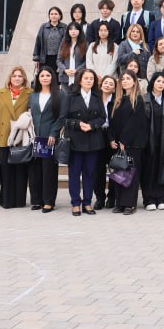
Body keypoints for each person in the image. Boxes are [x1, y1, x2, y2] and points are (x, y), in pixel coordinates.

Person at [61, 69, 105, 216]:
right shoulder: (71, 96)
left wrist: (91, 125)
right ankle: (75, 203)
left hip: (93, 140)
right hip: (75, 140)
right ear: (80, 80)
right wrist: (78, 124)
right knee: (74, 173)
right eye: (86, 78)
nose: (89, 81)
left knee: (90, 173)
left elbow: (102, 117)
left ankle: (87, 202)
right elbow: (63, 118)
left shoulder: (97, 96)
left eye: (91, 78)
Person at [0, 66, 32, 210]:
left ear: (24, 79)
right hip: (4, 136)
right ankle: (7, 200)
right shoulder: (1, 93)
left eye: (20, 76)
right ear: (10, 78)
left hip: (21, 137)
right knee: (6, 170)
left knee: (21, 170)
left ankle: (20, 200)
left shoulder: (30, 93)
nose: (17, 78)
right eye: (14, 76)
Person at [108, 70, 148, 214]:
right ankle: (120, 203)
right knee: (119, 173)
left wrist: (124, 140)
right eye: (122, 79)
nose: (125, 81)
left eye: (128, 78)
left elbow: (135, 123)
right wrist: (112, 139)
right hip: (118, 143)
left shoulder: (138, 100)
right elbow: (112, 122)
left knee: (130, 174)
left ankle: (130, 204)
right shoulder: (117, 99)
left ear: (134, 81)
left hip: (133, 143)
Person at [28, 66, 62, 213]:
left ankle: (48, 201)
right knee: (34, 170)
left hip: (49, 138)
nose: (45, 78)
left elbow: (61, 116)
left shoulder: (59, 95)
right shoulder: (33, 95)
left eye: (48, 75)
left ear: (52, 77)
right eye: (42, 75)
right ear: (38, 78)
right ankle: (36, 200)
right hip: (35, 137)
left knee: (49, 171)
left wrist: (54, 133)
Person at [141, 72, 164, 211]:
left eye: (163, 82)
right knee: (149, 170)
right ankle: (149, 199)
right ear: (152, 82)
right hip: (148, 141)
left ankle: (161, 198)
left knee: (162, 169)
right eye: (158, 81)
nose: (161, 84)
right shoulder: (145, 99)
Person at [93, 74, 117, 210]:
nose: (108, 85)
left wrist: (112, 138)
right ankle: (99, 198)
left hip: (112, 136)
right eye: (106, 83)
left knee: (114, 168)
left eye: (111, 84)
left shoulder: (116, 100)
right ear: (101, 84)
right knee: (98, 169)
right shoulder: (94, 99)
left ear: (114, 88)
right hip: (97, 135)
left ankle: (112, 197)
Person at [32, 7, 64, 74]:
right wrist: (36, 58)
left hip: (59, 59)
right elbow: (38, 42)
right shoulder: (43, 27)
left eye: (56, 14)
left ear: (60, 16)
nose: (53, 16)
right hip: (45, 59)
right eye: (51, 14)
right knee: (45, 76)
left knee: (57, 79)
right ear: (49, 16)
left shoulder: (64, 27)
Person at [56, 23, 87, 90]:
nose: (73, 31)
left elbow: (86, 61)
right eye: (71, 29)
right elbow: (59, 60)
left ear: (80, 31)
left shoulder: (85, 44)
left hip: (79, 76)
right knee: (65, 98)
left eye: (75, 29)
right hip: (65, 77)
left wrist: (77, 70)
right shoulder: (64, 43)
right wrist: (65, 70)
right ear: (68, 32)